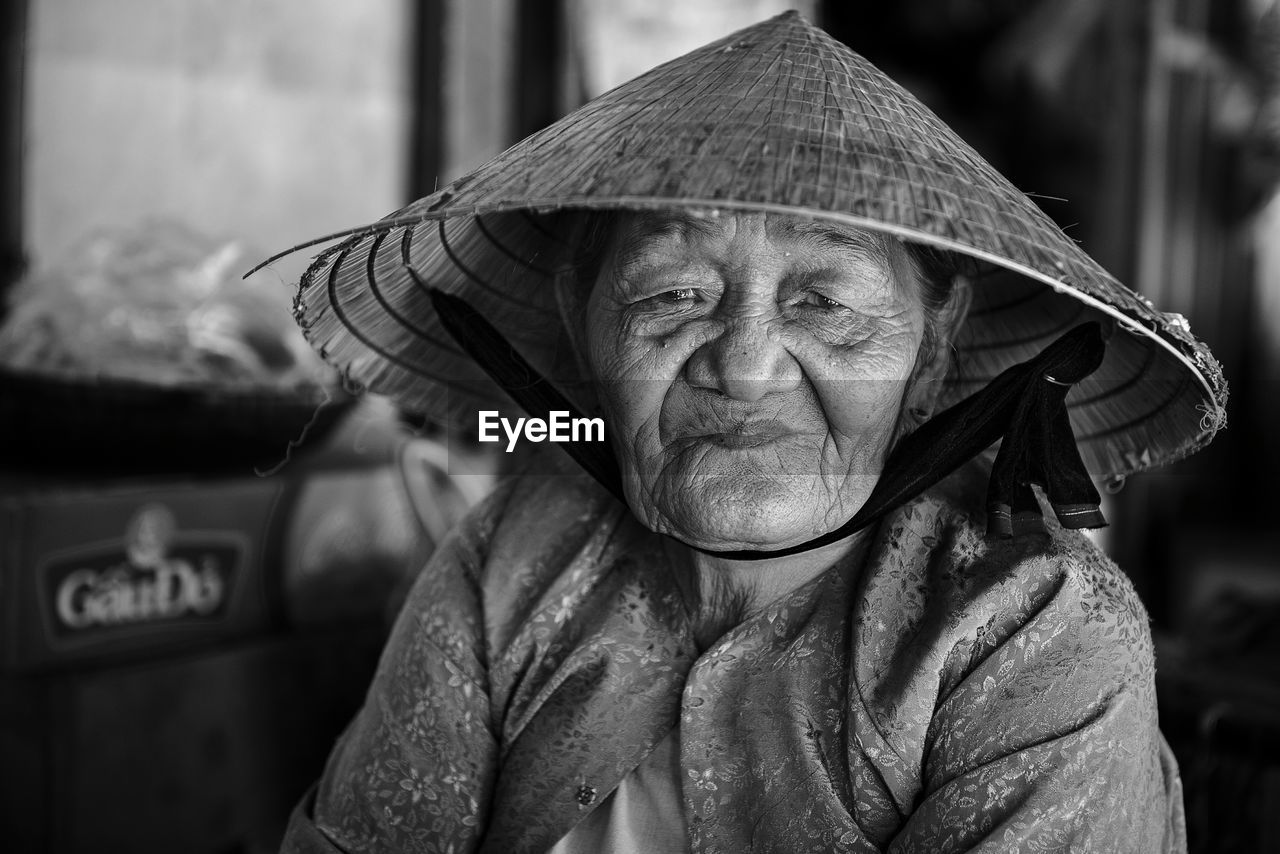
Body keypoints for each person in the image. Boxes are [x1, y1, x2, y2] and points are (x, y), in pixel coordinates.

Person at [269, 11, 1227, 853]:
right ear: (580, 321)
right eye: (675, 294)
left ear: (932, 350)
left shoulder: (1037, 627)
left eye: (823, 301)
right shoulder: (509, 556)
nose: (745, 364)